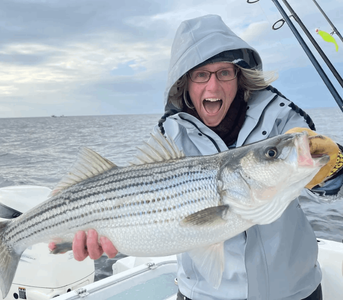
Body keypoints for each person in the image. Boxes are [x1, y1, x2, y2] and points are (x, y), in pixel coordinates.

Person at [61, 15, 343, 299]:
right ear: (185, 83)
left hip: (294, 291)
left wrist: (335, 166)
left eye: (224, 72)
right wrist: (104, 232)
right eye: (200, 74)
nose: (213, 86)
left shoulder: (281, 120)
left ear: (239, 77)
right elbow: (143, 215)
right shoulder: (171, 139)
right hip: (203, 295)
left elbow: (326, 182)